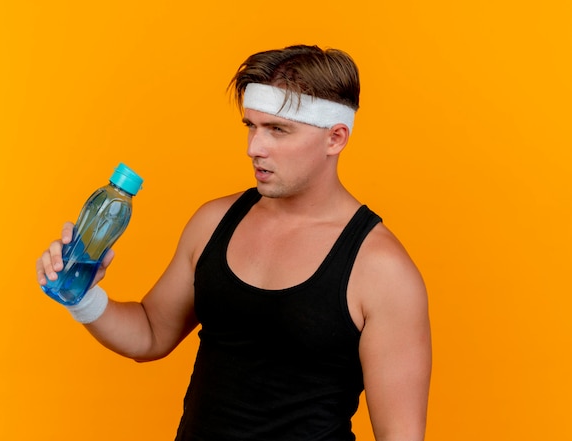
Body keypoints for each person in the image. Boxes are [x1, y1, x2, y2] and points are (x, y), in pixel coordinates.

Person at [36, 44, 432, 441]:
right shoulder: (213, 222)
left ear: (336, 138)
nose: (254, 148)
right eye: (251, 126)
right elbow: (150, 334)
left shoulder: (381, 269)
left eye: (278, 129)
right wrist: (82, 296)